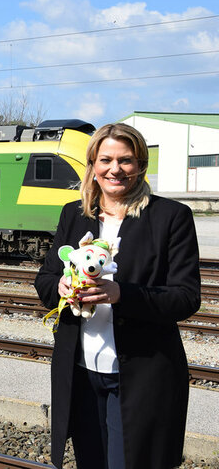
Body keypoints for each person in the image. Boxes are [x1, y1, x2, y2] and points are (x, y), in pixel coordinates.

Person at [34, 123, 201, 469]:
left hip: (141, 374)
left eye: (126, 160)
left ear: (140, 166)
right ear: (93, 164)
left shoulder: (171, 217)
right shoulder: (74, 214)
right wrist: (62, 289)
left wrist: (121, 293)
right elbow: (45, 279)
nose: (115, 169)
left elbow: (186, 297)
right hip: (80, 372)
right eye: (106, 159)